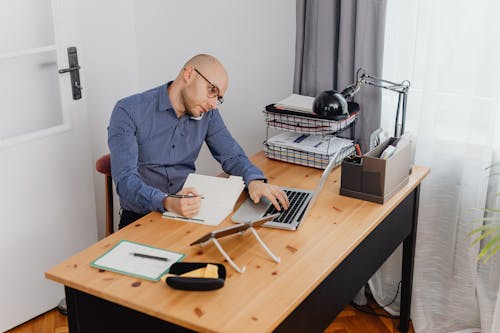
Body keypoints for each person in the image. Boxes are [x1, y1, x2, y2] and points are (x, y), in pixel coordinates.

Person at [108, 54, 289, 229]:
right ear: (189, 74)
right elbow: (125, 182)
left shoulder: (208, 114)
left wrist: (254, 181)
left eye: (218, 97)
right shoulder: (128, 111)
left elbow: (232, 156)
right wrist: (166, 201)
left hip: (189, 213)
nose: (213, 104)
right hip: (141, 219)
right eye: (212, 90)